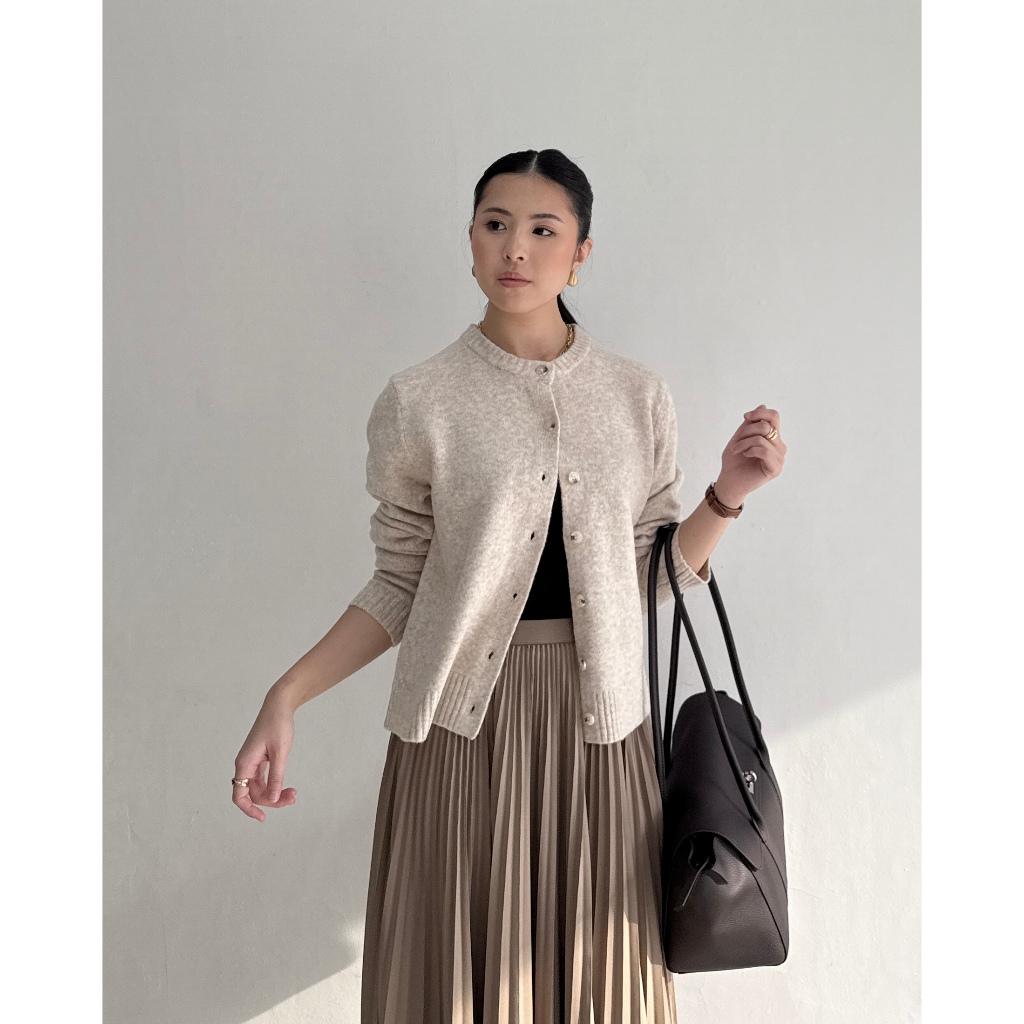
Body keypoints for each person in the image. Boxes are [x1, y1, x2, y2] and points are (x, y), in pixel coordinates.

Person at [231, 148, 786, 1023]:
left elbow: (654, 576)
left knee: (601, 980)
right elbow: (398, 584)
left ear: (581, 253)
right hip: (461, 734)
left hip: (600, 730)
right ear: (470, 240)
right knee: (456, 978)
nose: (515, 249)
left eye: (542, 229)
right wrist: (287, 693)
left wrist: (729, 494)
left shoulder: (636, 396)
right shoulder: (421, 400)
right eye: (496, 225)